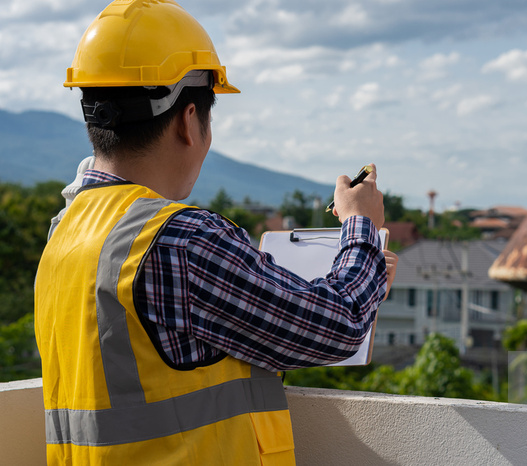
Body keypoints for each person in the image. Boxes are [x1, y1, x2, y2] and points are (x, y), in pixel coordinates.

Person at [34, 1, 397, 465]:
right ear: (189, 120)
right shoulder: (182, 240)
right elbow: (337, 326)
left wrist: (362, 279)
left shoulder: (64, 230)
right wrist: (360, 226)